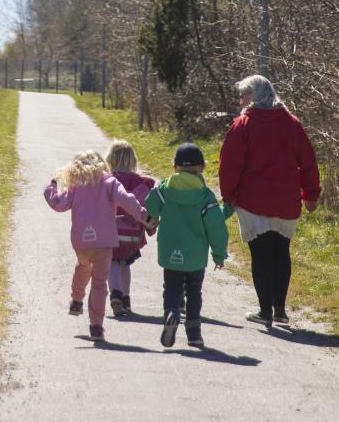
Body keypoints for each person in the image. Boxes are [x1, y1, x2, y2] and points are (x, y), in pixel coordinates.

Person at [218, 73, 320, 327]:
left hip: (254, 202)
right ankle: (280, 310)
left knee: (260, 255)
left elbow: (229, 165)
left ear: (255, 96)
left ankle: (264, 311)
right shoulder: (292, 123)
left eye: (244, 95)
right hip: (286, 201)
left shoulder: (243, 125)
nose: (241, 101)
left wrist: (228, 196)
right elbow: (307, 161)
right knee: (281, 252)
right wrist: (311, 194)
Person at [44, 149, 150, 340]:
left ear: (76, 167)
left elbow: (57, 203)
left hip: (81, 242)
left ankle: (77, 299)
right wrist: (143, 216)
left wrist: (51, 185)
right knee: (99, 284)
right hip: (104, 242)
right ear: (102, 164)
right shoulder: (109, 182)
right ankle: (96, 327)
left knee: (83, 266)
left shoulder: (75, 185)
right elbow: (127, 200)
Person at [144, 143, 229, 349]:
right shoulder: (205, 196)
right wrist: (219, 254)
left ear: (175, 167)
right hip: (195, 256)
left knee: (171, 287)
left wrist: (153, 217)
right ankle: (194, 334)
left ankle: (171, 312)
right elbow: (216, 227)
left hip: (170, 250)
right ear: (202, 167)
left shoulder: (165, 188)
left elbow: (150, 203)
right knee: (194, 291)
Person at [105, 140, 157, 318]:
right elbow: (148, 207)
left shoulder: (107, 181)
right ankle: (126, 299)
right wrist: (150, 226)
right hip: (132, 235)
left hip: (110, 232)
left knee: (111, 263)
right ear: (133, 161)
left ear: (110, 160)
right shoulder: (141, 184)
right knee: (125, 264)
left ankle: (116, 295)